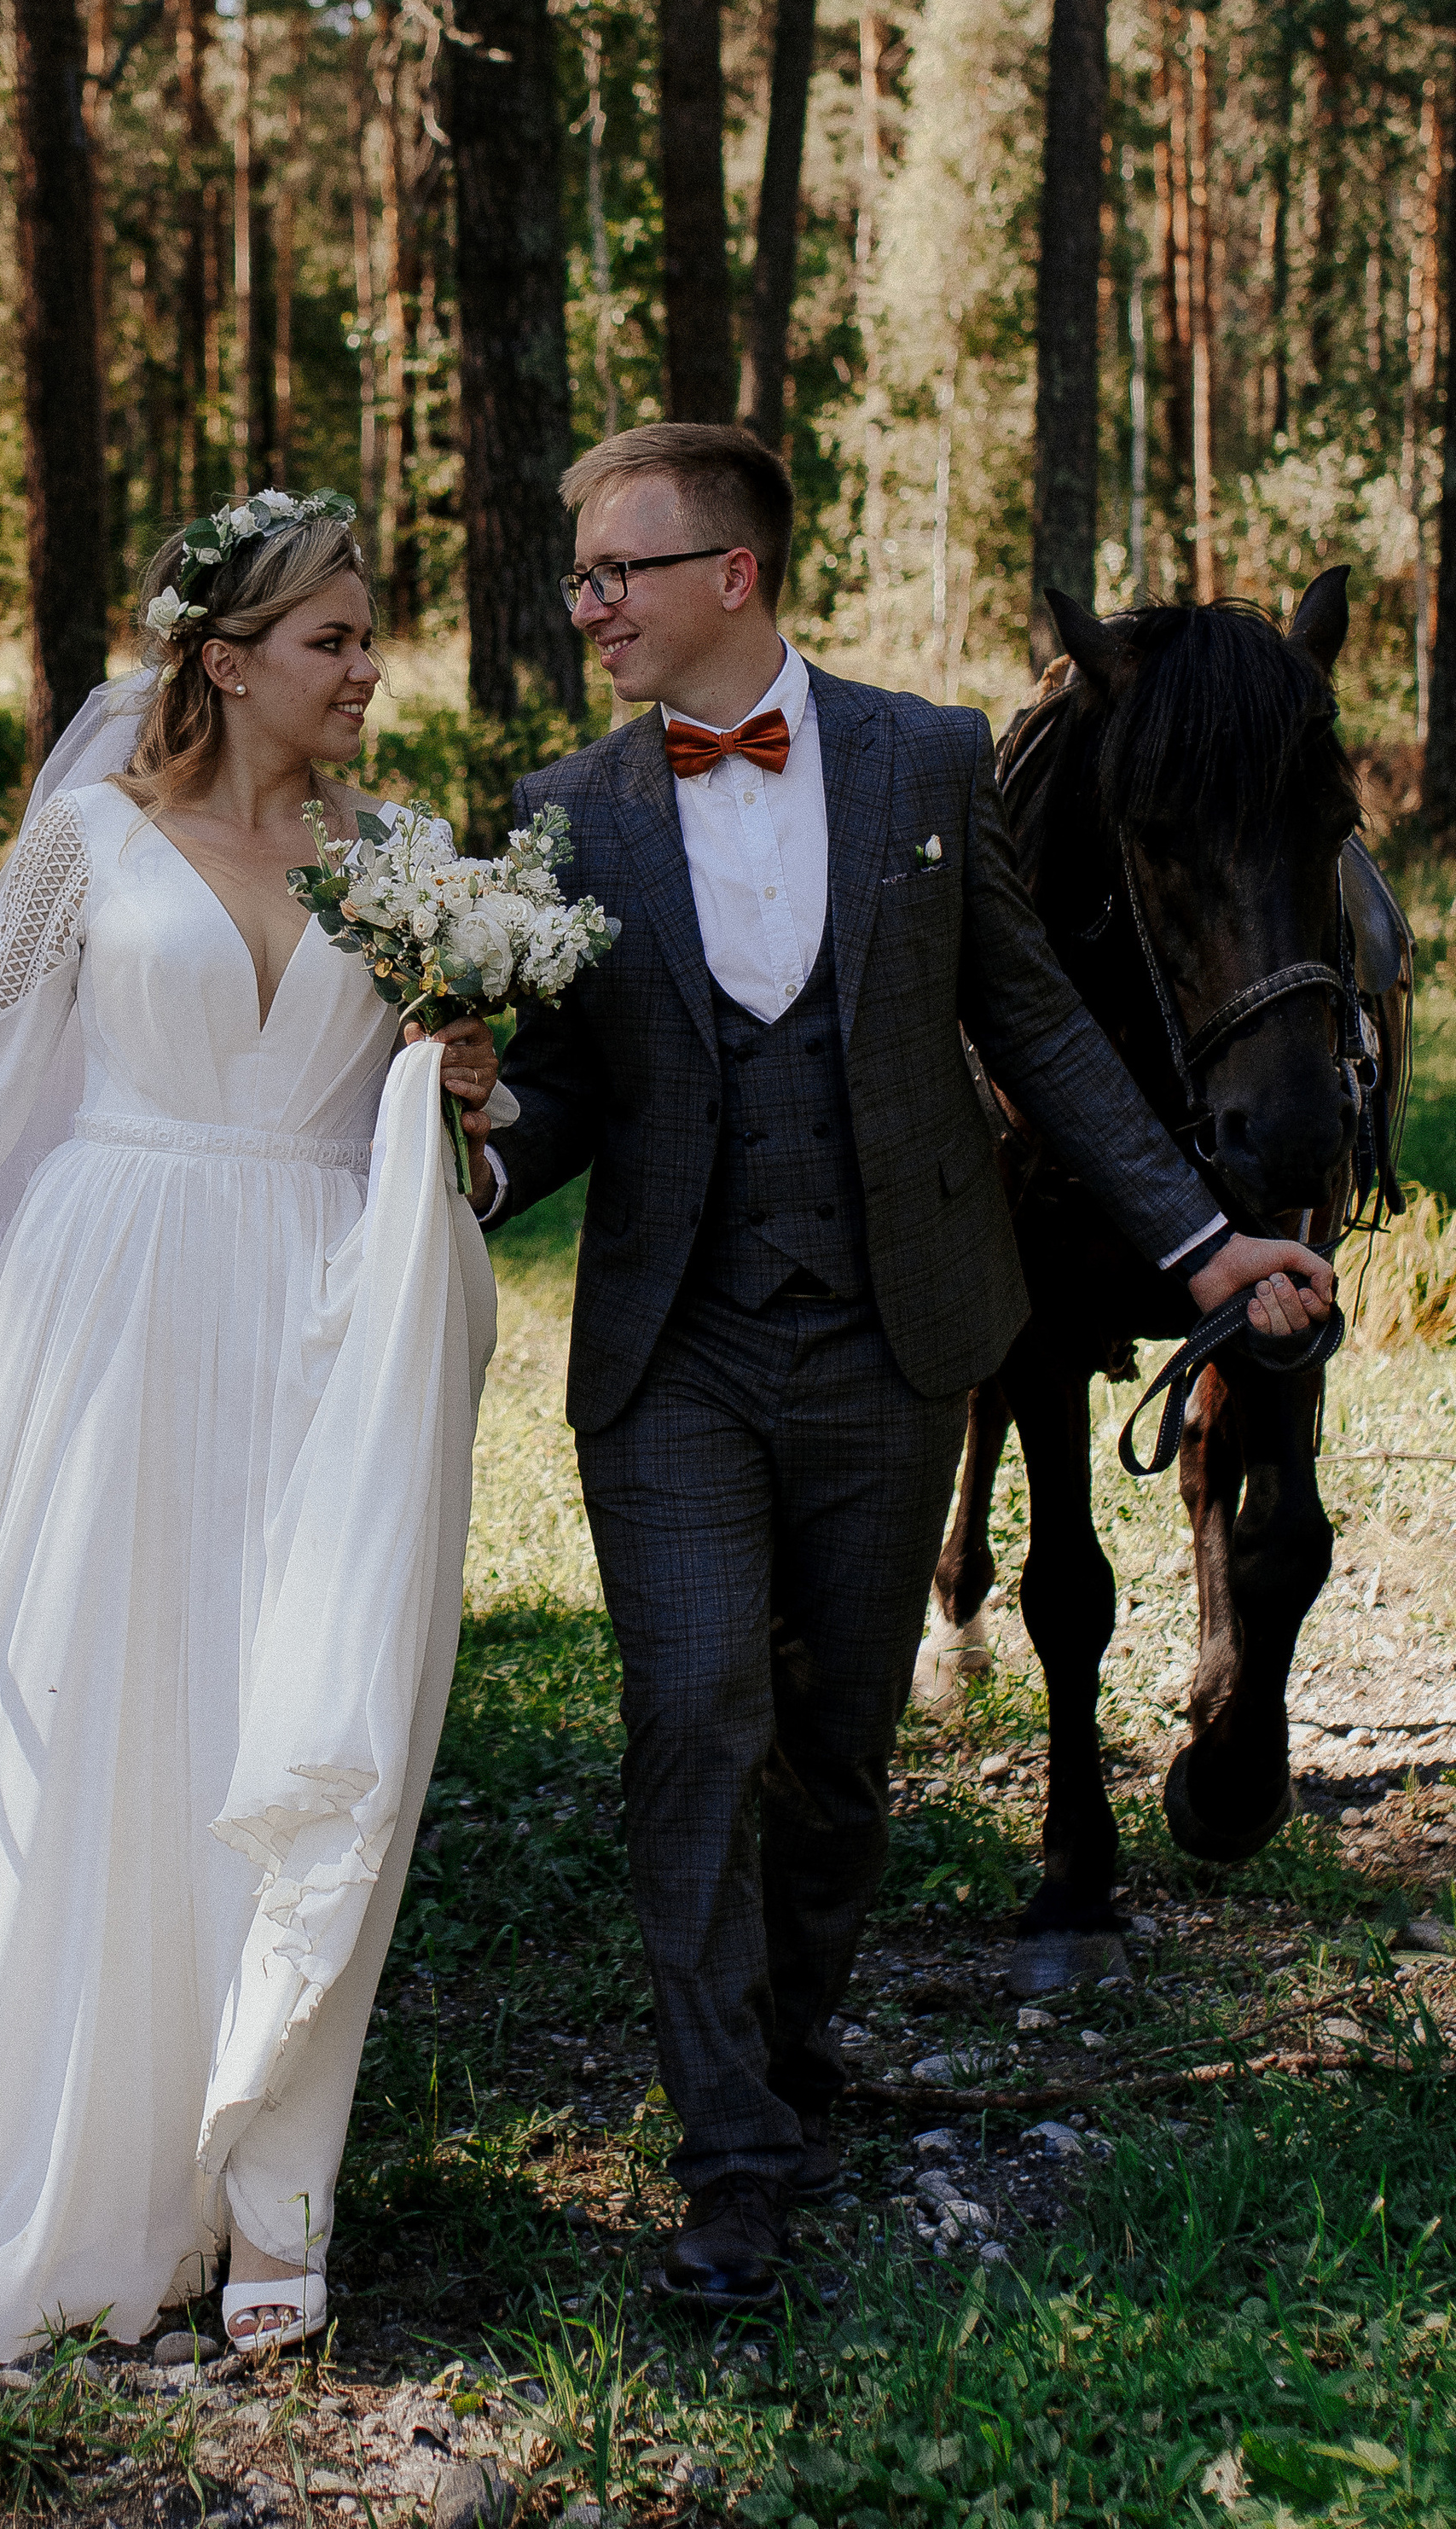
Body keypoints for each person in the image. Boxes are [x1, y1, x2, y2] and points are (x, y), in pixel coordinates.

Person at [480, 421, 1334, 2309]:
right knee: (695, 1717)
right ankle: (727, 2155)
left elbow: (1033, 1025)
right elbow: (548, 1097)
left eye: (615, 568)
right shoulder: (565, 806)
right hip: (675, 1352)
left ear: (731, 575)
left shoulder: (922, 761)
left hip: (890, 1347)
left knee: (836, 1760)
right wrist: (449, 1165)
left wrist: (1203, 1242)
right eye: (577, 575)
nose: (584, 604)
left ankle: (785, 2054)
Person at [0, 496, 504, 2360]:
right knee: (102, 1725)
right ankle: (34, 2172)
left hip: (317, 1323)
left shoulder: (415, 867)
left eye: (371, 639)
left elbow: (449, 1137)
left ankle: (263, 2191)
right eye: (332, 641)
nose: (367, 671)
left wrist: (459, 1090)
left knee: (296, 1719)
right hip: (102, 1314)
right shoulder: (83, 846)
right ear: (225, 659)